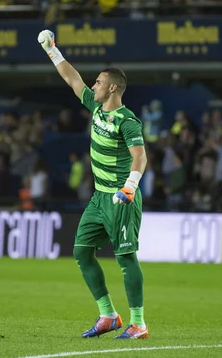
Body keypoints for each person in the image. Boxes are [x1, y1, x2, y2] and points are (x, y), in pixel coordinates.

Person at [38, 29, 149, 339]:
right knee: (82, 252)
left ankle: (138, 323)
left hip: (122, 196)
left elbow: (140, 158)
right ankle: (108, 315)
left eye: (99, 82)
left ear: (112, 87)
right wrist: (52, 50)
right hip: (100, 199)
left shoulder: (127, 121)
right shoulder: (97, 108)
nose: (93, 85)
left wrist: (130, 187)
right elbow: (72, 79)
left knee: (126, 258)